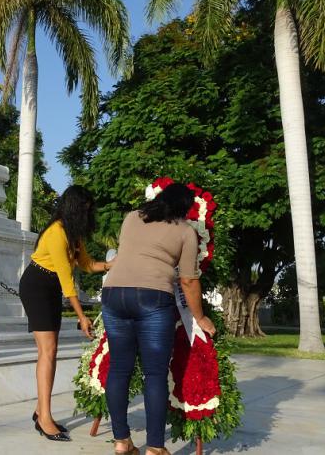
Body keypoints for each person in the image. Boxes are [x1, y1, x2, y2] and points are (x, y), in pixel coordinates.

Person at [102, 183, 216, 455]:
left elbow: (128, 255)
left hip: (113, 295)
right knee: (154, 374)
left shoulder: (131, 217)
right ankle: (155, 447)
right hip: (152, 299)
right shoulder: (185, 232)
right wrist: (200, 317)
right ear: (185, 208)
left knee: (119, 369)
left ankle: (122, 442)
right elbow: (188, 279)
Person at [19, 185, 113, 442]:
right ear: (74, 208)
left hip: (50, 287)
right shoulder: (57, 233)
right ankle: (44, 418)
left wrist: (110, 264)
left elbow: (86, 264)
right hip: (37, 286)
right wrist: (82, 317)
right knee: (47, 352)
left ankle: (41, 410)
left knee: (50, 351)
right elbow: (66, 280)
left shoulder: (73, 235)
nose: (88, 214)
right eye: (85, 209)